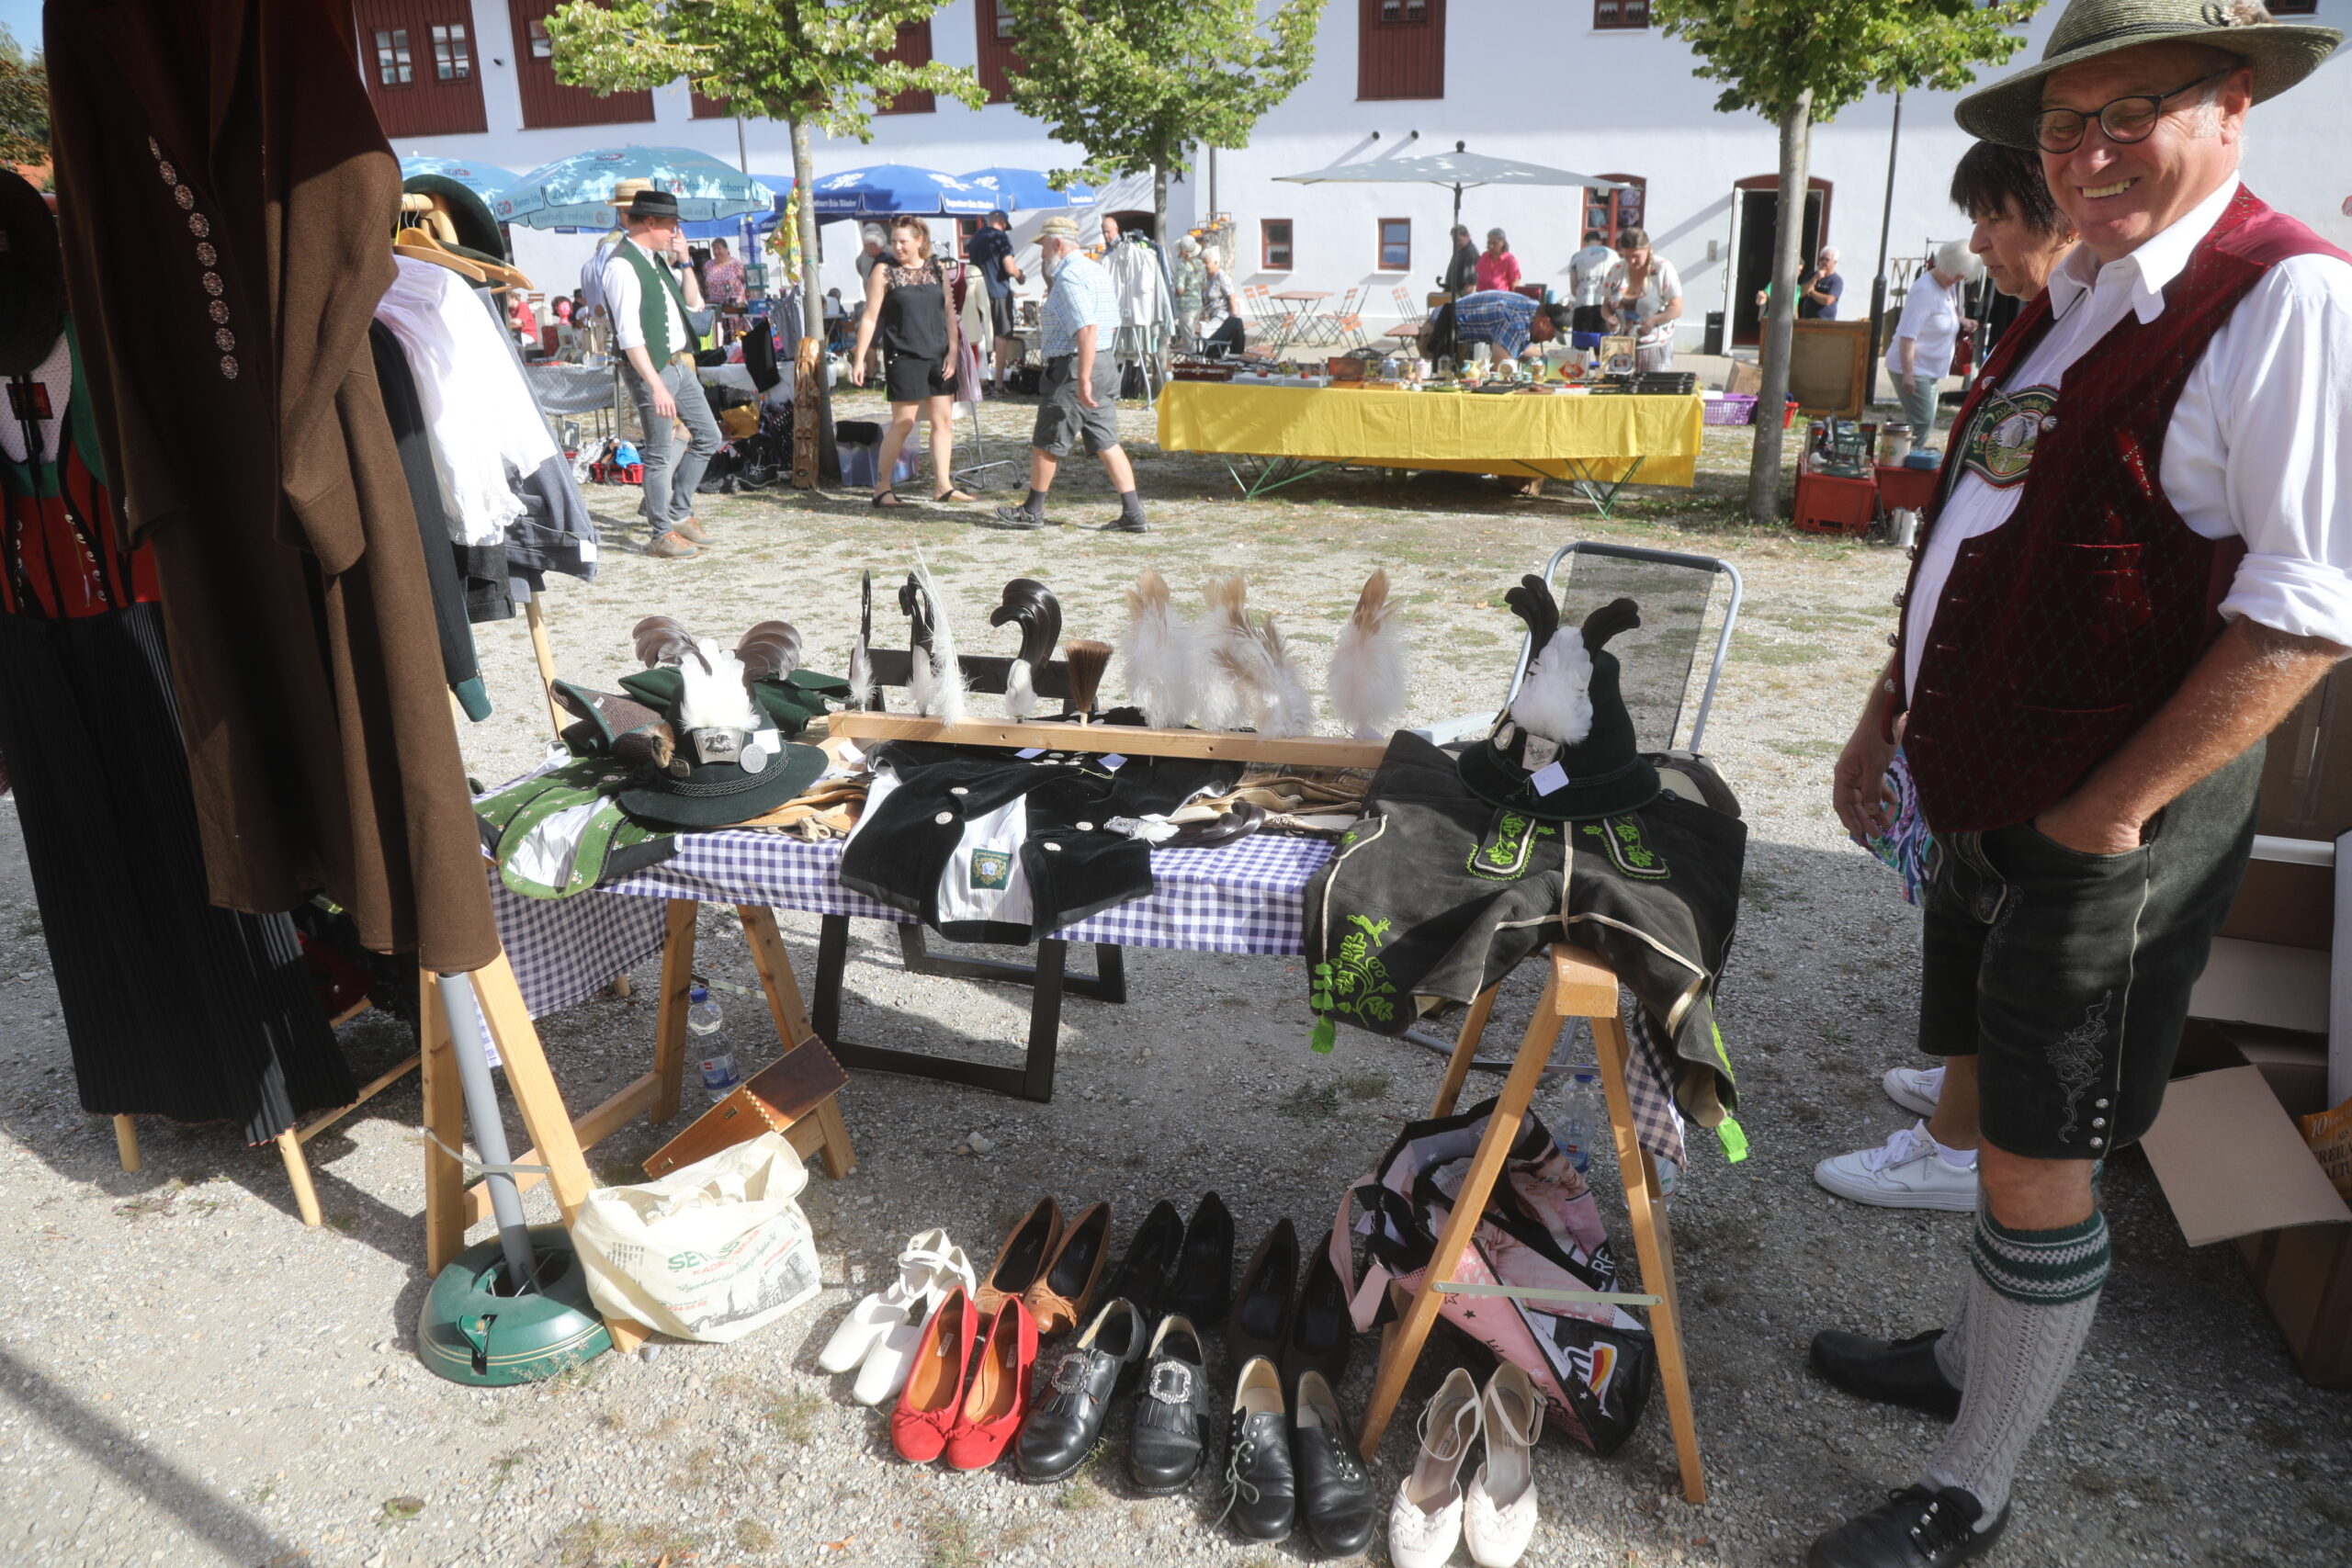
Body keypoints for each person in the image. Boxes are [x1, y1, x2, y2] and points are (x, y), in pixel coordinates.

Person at [1813, 4, 2350, 1563]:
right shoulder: (2088, 292)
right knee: (1998, 1111)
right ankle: (1969, 1357)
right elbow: (1979, 533)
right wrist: (1885, 712)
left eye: (2131, 113)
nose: (2088, 153)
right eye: (2064, 125)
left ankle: (1974, 1483)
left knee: (2045, 1149)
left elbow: (2309, 608)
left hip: (2112, 823)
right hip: (1999, 792)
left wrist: (2109, 810)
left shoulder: (2289, 294)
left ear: (2232, 103)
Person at [1815, 144, 2080, 1221]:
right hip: (1965, 697)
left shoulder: (2100, 327)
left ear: (2061, 209)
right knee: (1960, 902)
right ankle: (1966, 1090)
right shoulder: (2042, 323)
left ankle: (1959, 1140)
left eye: (1996, 216)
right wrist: (1891, 698)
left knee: (1990, 911)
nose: (1978, 242)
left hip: (2025, 712)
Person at [986, 214, 1148, 535]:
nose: (1042, 254)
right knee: (1107, 441)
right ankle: (1133, 513)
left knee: (1047, 441)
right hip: (1102, 361)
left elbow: (1086, 328)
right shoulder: (1095, 270)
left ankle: (1032, 511)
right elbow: (1110, 325)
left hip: (1075, 369)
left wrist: (1083, 377)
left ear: (1058, 243)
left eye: (1044, 247)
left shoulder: (1069, 277)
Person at [600, 186, 717, 559]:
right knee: (659, 454)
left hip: (677, 364)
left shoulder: (656, 260)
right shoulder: (621, 265)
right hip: (652, 370)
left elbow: (694, 305)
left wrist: (685, 262)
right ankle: (660, 534)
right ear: (650, 222)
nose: (675, 232)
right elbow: (629, 335)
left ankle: (678, 511)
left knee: (709, 436)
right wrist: (655, 385)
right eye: (671, 225)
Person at [850, 214, 972, 507]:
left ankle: (943, 485)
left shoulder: (937, 269)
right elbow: (870, 317)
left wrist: (953, 351)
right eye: (893, 241)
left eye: (903, 241)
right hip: (903, 355)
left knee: (943, 422)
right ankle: (882, 487)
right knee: (903, 422)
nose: (897, 247)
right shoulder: (884, 270)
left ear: (920, 241)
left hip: (938, 354)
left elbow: (949, 312)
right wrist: (859, 357)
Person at [1883, 239, 1984, 449]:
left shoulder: (1947, 287)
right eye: (1957, 275)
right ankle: (1906, 459)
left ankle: (1905, 457)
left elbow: (1938, 316)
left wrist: (1961, 322)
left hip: (1927, 368)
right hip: (1914, 367)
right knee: (1921, 422)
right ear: (1947, 266)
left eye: (1962, 277)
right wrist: (1908, 374)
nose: (1959, 280)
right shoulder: (1925, 290)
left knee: (1921, 421)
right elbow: (1907, 335)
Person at [1606, 228, 1683, 372]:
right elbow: (1606, 306)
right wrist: (1609, 318)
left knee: (1649, 385)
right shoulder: (1617, 269)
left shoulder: (1663, 268)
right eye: (1626, 256)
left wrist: (1653, 320)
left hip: (1654, 346)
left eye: (1636, 256)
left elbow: (1677, 308)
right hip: (1621, 346)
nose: (1631, 261)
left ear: (1648, 249)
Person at [967, 209, 1024, 390]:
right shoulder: (1001, 237)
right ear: (1003, 223)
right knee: (1001, 335)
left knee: (980, 335)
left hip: (977, 291)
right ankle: (999, 383)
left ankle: (980, 380)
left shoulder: (975, 237)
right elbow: (1009, 267)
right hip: (998, 291)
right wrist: (1020, 276)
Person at [1446, 289, 1570, 361]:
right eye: (1552, 335)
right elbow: (1500, 367)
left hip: (1454, 328)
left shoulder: (1532, 309)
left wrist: (1547, 363)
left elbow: (1519, 346)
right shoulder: (1516, 321)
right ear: (1544, 323)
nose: (1550, 340)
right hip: (1443, 330)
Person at [1567, 228, 1617, 338]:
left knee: (1582, 343)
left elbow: (1573, 287)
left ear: (1585, 243)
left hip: (1583, 303)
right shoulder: (1613, 254)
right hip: (1605, 305)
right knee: (1603, 343)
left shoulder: (1577, 256)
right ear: (1600, 241)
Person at [1197, 246, 1246, 355]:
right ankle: (1211, 356)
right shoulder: (1207, 277)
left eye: (1206, 262)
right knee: (1203, 334)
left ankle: (1210, 356)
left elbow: (1231, 296)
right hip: (1212, 316)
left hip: (1222, 316)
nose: (1204, 265)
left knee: (1205, 334)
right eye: (1203, 262)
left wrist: (1233, 318)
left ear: (1215, 262)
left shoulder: (1221, 276)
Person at [1172, 234, 1205, 346]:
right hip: (1197, 304)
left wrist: (1175, 291)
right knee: (1192, 337)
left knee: (1189, 342)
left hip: (1185, 307)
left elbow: (1180, 290)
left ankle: (1194, 357)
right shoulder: (1200, 264)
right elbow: (1204, 286)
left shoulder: (1182, 267)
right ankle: (1196, 355)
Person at [704, 236, 747, 310]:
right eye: (714, 249)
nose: (716, 252)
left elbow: (746, 281)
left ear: (726, 249)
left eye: (718, 249)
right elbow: (705, 284)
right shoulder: (708, 265)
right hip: (715, 307)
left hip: (734, 307)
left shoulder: (736, 264)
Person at [1475, 227, 1521, 293]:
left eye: (1494, 243)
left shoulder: (1510, 260)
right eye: (1489, 243)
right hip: (1482, 297)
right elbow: (1478, 277)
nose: (1491, 246)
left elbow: (1514, 286)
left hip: (1500, 298)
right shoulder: (1484, 257)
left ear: (1503, 243)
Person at [1440, 223, 1478, 296]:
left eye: (1458, 240)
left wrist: (1459, 299)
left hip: (1459, 298)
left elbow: (1470, 285)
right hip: (1451, 294)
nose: (1456, 243)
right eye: (1454, 241)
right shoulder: (1460, 250)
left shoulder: (1470, 253)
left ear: (1467, 236)